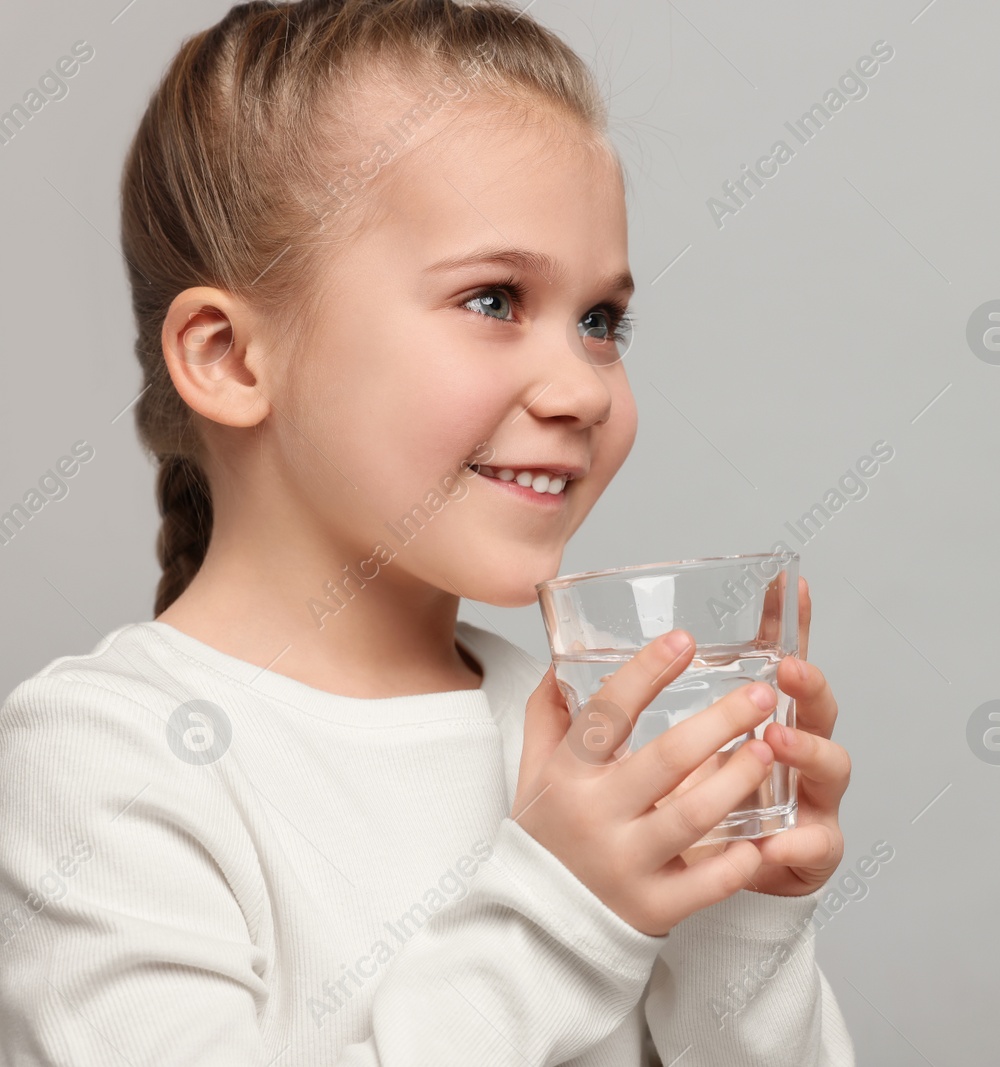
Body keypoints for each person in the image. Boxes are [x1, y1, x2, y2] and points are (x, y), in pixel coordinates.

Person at [0, 2, 855, 1062]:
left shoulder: (573, 738)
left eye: (600, 322)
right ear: (228, 356)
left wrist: (735, 911)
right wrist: (568, 914)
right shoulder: (102, 762)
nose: (582, 388)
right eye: (495, 298)